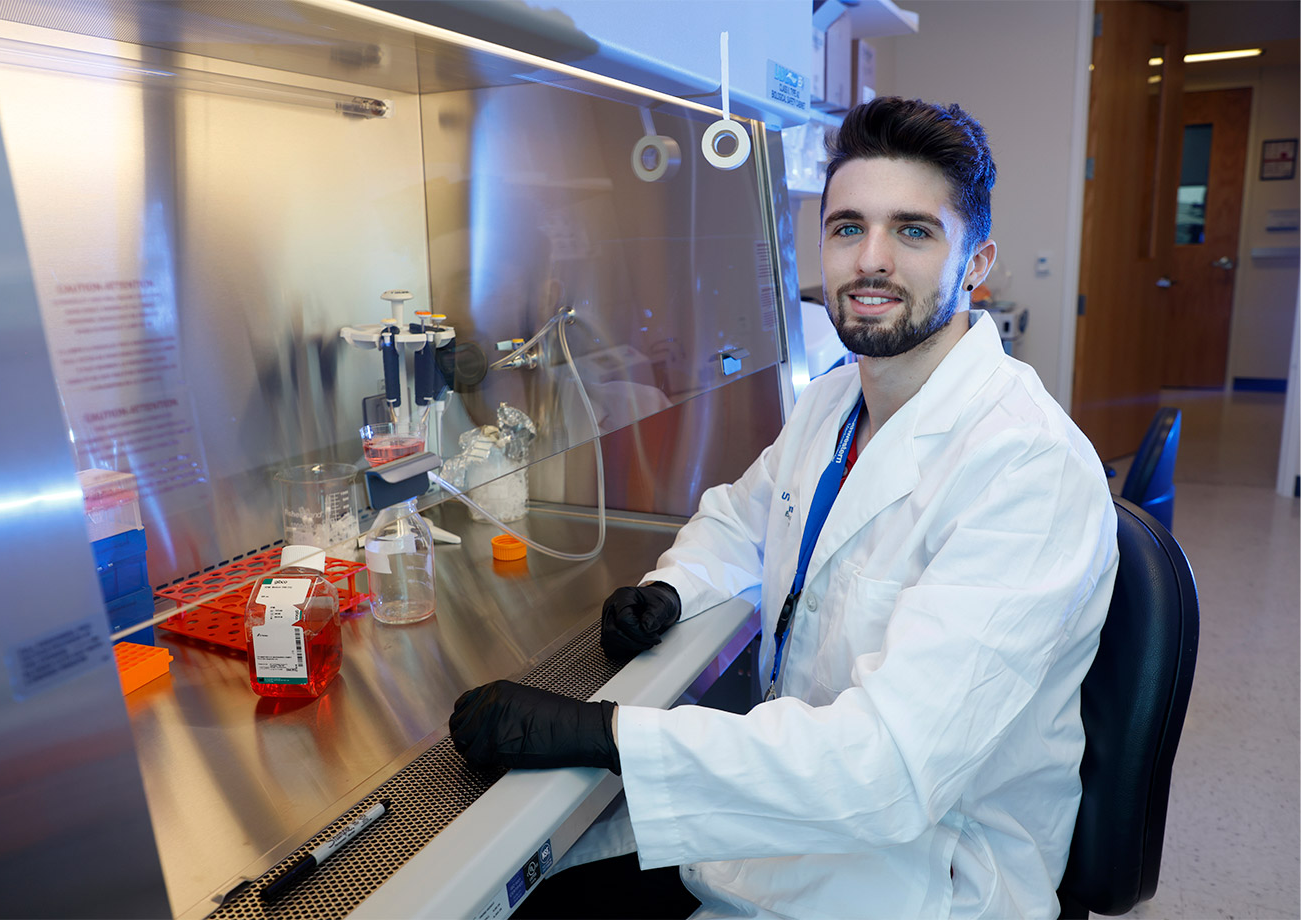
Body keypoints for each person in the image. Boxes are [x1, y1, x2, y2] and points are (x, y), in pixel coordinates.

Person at [449, 97, 1119, 919]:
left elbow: (890, 771)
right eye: (847, 228)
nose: (870, 261)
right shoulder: (837, 400)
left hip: (923, 875)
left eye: (913, 231)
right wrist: (676, 588)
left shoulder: (1028, 470)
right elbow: (745, 516)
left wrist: (606, 734)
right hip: (801, 832)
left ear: (975, 263)